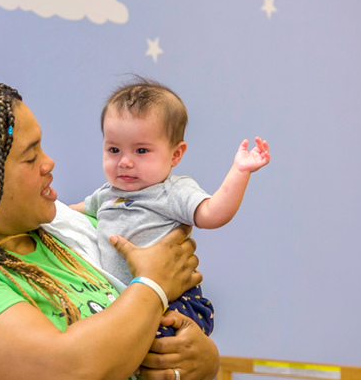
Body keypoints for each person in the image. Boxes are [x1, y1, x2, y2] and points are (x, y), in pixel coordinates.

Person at [0, 70, 220, 380]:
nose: (49, 162)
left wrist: (203, 362)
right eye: (31, 155)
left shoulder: (75, 231)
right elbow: (65, 368)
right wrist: (153, 285)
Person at [70, 79, 271, 337]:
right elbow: (72, 210)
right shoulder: (106, 194)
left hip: (173, 300)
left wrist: (240, 172)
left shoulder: (172, 191)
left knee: (148, 346)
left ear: (175, 155)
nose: (125, 162)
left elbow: (213, 213)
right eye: (114, 149)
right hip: (121, 298)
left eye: (141, 150)